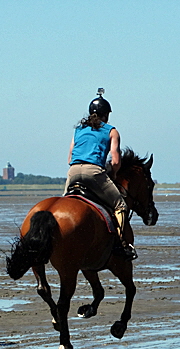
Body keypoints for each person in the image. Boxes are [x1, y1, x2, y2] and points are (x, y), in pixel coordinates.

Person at [64, 89, 137, 260]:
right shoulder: (112, 131)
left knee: (66, 201)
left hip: (73, 171)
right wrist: (112, 173)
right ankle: (121, 244)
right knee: (120, 205)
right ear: (106, 115)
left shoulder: (78, 130)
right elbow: (116, 161)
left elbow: (69, 157)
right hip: (94, 172)